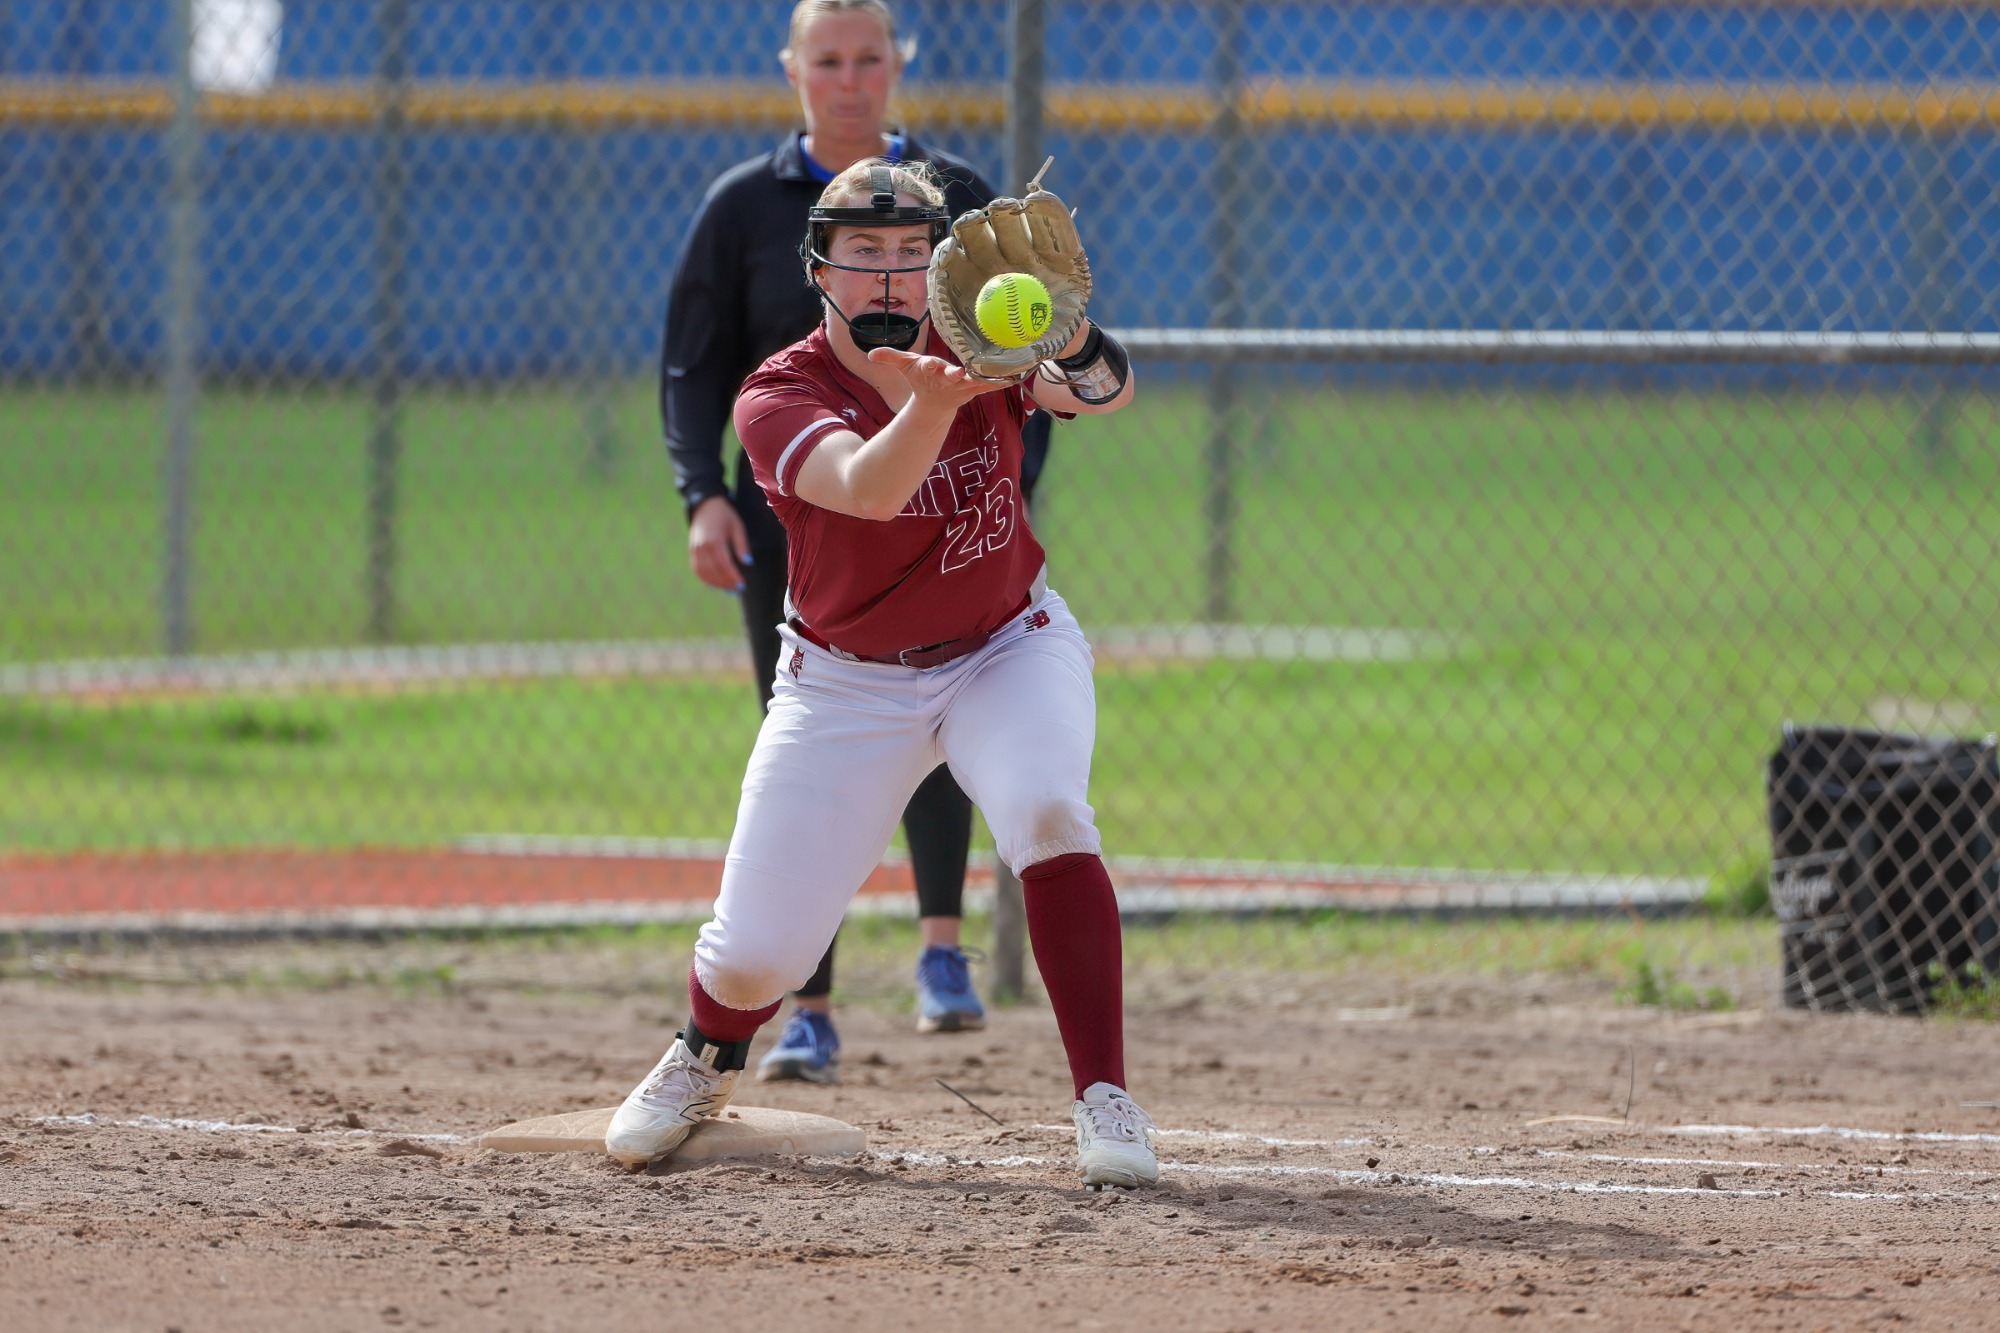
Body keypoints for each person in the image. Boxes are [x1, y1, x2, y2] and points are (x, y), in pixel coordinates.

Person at [608, 158, 1156, 1189]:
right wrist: (932, 402)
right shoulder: (778, 393)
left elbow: (1108, 391)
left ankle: (1103, 1097)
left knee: (1046, 811)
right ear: (820, 267)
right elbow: (865, 489)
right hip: (844, 683)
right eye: (866, 253)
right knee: (751, 957)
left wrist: (1072, 341)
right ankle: (704, 1052)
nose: (893, 278)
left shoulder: (977, 339)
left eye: (913, 252)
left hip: (1006, 645)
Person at [662, 0, 1055, 1083]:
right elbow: (695, 365)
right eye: (824, 58)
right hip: (800, 513)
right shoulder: (743, 207)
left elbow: (1019, 363)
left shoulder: (956, 199)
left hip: (951, 508)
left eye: (866, 57)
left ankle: (941, 953)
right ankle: (809, 1009)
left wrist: (1012, 478)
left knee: (951, 706)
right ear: (791, 68)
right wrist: (702, 492)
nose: (846, 78)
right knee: (820, 746)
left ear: (897, 64)